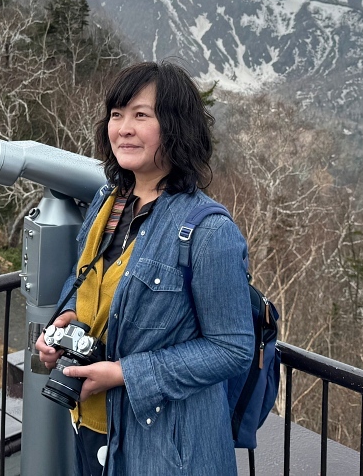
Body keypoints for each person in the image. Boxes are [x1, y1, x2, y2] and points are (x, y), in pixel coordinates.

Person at [36, 60, 255, 476]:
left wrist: (124, 374)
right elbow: (89, 275)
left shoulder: (208, 232)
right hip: (94, 424)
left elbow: (233, 349)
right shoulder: (108, 200)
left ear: (176, 127)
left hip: (165, 447)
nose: (124, 128)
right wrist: (65, 319)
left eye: (141, 115)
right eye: (117, 115)